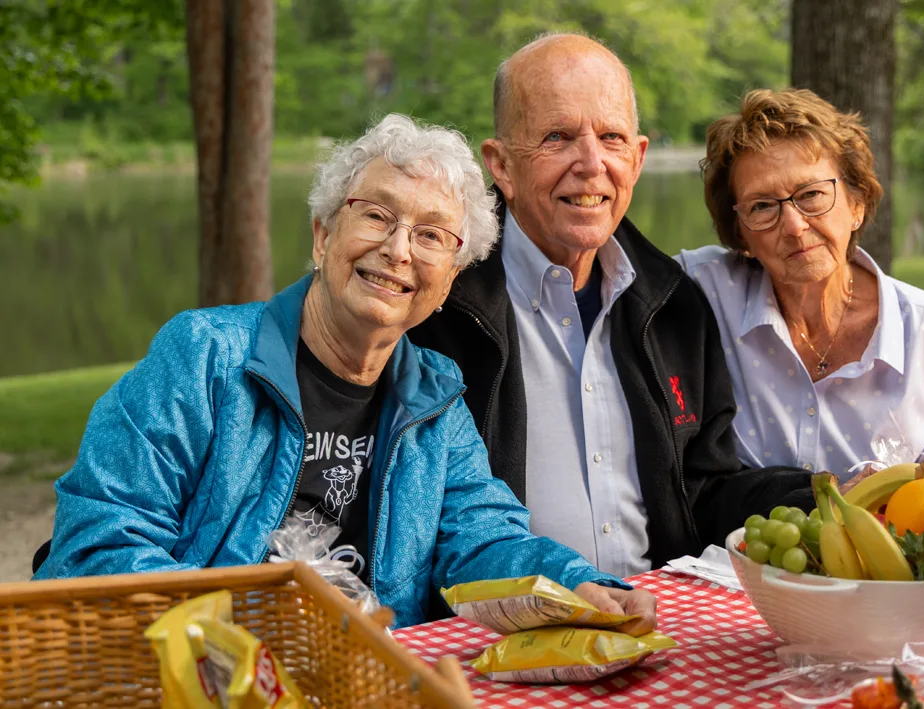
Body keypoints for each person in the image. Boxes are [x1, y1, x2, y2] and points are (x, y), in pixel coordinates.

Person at [33, 114, 657, 633]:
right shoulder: (205, 356)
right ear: (323, 235)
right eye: (378, 217)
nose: (400, 250)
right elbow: (101, 537)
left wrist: (578, 585)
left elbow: (483, 541)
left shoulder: (438, 400)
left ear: (446, 284)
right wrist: (233, 640)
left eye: (433, 235)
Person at [408, 34, 819, 579]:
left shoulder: (674, 305)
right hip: (490, 636)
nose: (591, 163)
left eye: (612, 137)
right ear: (501, 166)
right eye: (558, 137)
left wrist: (824, 494)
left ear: (638, 157)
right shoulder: (435, 307)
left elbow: (703, 491)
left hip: (651, 626)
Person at [678, 89, 924, 485]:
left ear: (857, 204)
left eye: (812, 195)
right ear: (741, 234)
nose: (794, 226)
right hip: (743, 544)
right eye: (762, 206)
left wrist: (912, 486)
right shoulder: (704, 289)